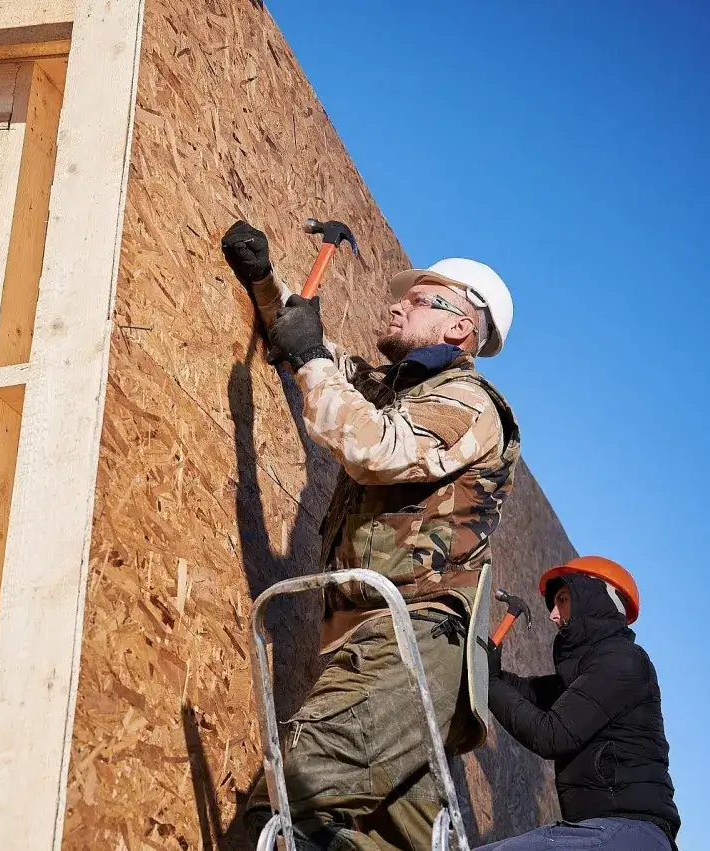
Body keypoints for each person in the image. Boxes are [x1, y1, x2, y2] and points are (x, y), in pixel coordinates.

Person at [222, 221, 519, 850]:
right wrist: (265, 283)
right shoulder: (393, 390)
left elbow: (376, 449)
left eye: (419, 300)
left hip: (415, 637)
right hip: (385, 641)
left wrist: (309, 358)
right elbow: (310, 355)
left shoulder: (468, 402)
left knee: (290, 797)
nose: (396, 303)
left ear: (459, 327)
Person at [478, 557, 680, 850]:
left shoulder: (623, 663)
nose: (553, 615)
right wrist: (491, 672)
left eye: (562, 600)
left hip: (631, 834)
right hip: (600, 831)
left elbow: (552, 734)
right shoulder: (588, 673)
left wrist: (491, 683)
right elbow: (530, 694)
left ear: (594, 597)